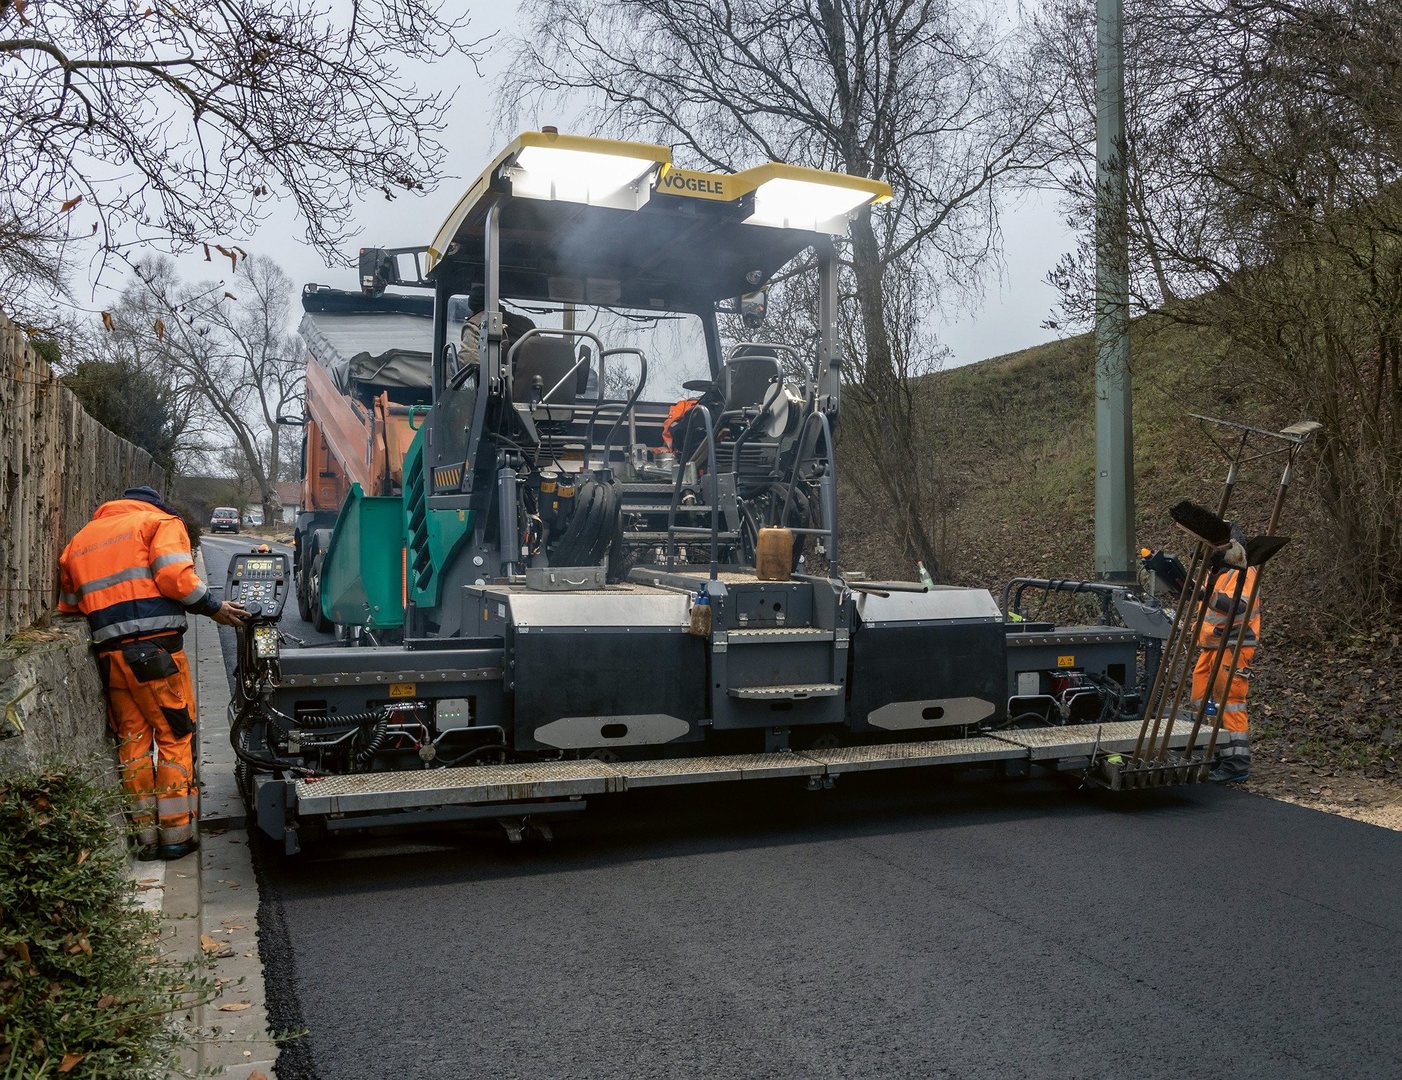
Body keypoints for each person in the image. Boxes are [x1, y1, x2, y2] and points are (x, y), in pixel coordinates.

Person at [58, 486, 249, 860]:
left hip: (110, 656)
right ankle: (176, 834)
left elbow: (69, 605)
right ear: (155, 502)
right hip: (156, 652)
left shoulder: (79, 540)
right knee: (175, 734)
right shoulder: (159, 522)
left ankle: (144, 836)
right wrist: (214, 608)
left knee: (132, 741)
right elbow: (175, 578)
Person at [1191, 526, 1260, 783]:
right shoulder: (1216, 572)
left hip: (1234, 646)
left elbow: (1239, 606)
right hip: (1210, 646)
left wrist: (1205, 595)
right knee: (1201, 701)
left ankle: (1236, 762)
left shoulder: (1244, 572)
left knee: (1230, 702)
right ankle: (1217, 751)